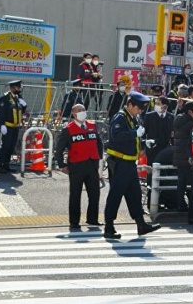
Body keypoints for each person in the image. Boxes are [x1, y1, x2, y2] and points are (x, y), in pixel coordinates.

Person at [103, 91, 161, 239]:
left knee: (134, 194)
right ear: (129, 105)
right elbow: (118, 136)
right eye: (138, 108)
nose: (139, 111)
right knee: (115, 195)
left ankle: (141, 224)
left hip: (129, 163)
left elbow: (133, 138)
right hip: (119, 163)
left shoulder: (132, 118)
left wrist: (143, 142)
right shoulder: (120, 118)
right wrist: (135, 133)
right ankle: (109, 227)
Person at [53, 104, 103, 229]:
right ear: (74, 114)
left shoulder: (92, 126)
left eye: (83, 110)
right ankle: (74, 221)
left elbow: (99, 144)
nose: (82, 112)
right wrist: (61, 165)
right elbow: (59, 149)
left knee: (95, 193)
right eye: (79, 111)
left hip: (92, 164)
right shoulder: (68, 129)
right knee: (75, 194)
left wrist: (100, 160)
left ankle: (92, 219)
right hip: (76, 166)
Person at [172, 101, 193, 212]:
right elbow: (190, 142)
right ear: (190, 111)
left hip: (178, 154)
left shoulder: (178, 119)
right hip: (187, 155)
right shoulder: (191, 123)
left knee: (181, 182)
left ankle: (181, 204)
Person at [0, 80, 26, 174]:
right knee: (6, 146)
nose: (19, 89)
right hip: (7, 127)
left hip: (15, 127)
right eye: (17, 87)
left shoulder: (18, 98)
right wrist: (1, 125)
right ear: (12, 88)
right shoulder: (4, 99)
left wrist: (24, 106)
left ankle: (6, 165)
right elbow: (1, 114)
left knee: (11, 146)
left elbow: (19, 112)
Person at [143, 96, 174, 164]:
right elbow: (143, 132)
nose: (156, 105)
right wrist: (143, 146)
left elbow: (172, 134)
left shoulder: (171, 117)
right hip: (152, 149)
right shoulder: (149, 116)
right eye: (155, 103)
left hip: (165, 149)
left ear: (165, 106)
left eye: (158, 104)